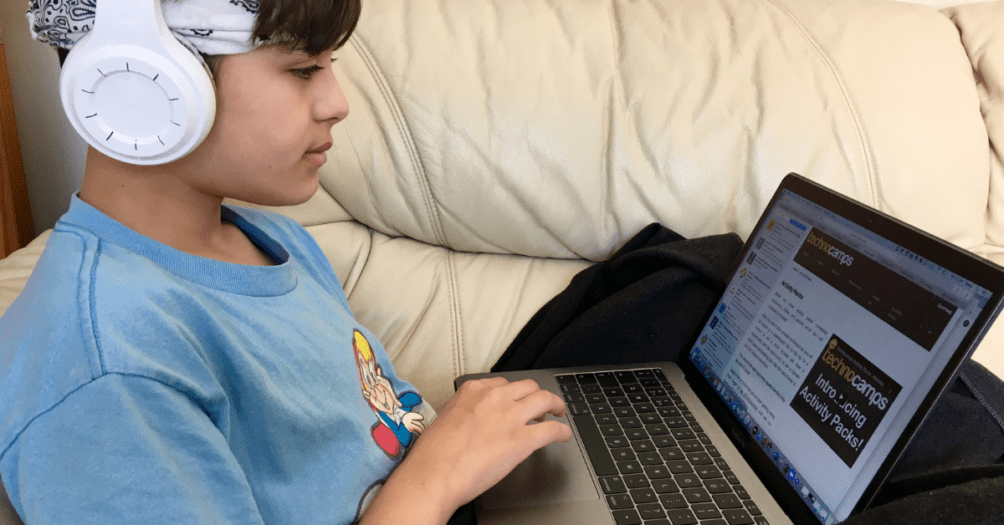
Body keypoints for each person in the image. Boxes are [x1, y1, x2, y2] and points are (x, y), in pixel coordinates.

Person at [0, 1, 571, 524]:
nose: (338, 103)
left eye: (330, 65)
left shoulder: (274, 239)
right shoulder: (106, 373)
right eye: (302, 70)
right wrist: (436, 476)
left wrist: (457, 443)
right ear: (141, 82)